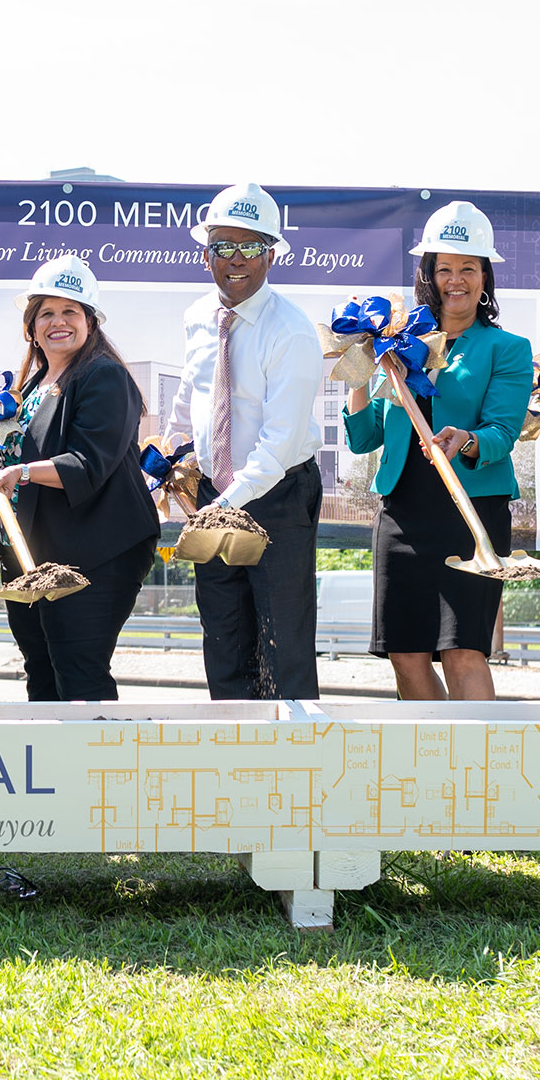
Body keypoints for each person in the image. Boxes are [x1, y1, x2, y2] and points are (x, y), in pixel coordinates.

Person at [342, 202, 531, 700]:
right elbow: (363, 439)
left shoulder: (507, 348)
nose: (456, 280)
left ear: (485, 276)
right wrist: (359, 365)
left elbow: (502, 433)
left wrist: (463, 439)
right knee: (405, 655)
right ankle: (439, 768)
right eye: (443, 268)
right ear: (428, 274)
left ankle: (485, 772)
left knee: (462, 651)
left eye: (468, 268)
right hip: (403, 516)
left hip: (471, 515)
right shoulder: (398, 342)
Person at [168, 182, 325, 701]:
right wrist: (172, 456)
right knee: (224, 634)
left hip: (278, 495)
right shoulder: (197, 317)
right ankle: (232, 751)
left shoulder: (293, 331)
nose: (235, 259)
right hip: (217, 495)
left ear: (272, 253)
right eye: (222, 246)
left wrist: (222, 507)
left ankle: (297, 761)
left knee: (284, 639)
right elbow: (192, 393)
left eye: (250, 246)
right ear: (205, 251)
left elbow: (279, 444)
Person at [0, 256, 159, 701]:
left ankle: (96, 770)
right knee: (41, 672)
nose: (57, 322)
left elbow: (88, 463)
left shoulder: (105, 376)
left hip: (96, 554)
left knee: (79, 675)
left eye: (70, 312)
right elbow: (9, 459)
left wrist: (20, 472)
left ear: (90, 322)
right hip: (34, 555)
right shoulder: (30, 386)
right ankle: (48, 770)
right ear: (31, 325)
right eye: (46, 312)